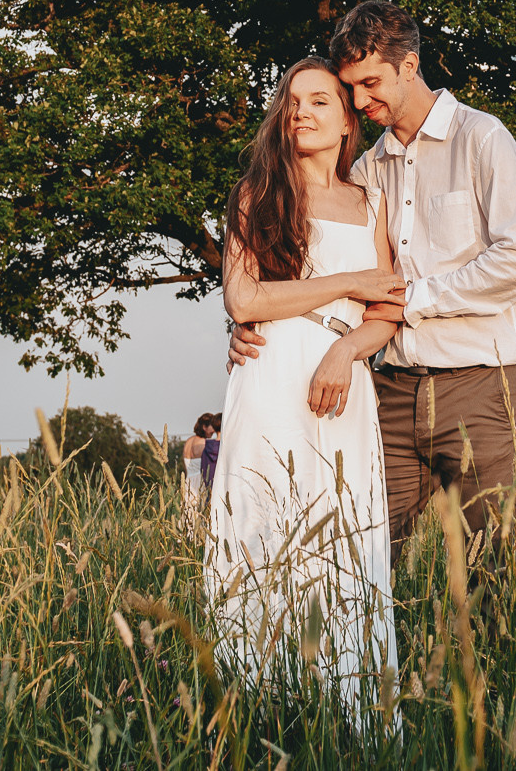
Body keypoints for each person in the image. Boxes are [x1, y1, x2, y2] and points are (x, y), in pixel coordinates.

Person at [231, 0, 516, 558]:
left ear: (409, 66)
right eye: (351, 87)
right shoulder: (363, 172)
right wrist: (251, 321)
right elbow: (319, 270)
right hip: (387, 389)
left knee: (490, 565)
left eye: (371, 82)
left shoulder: (482, 139)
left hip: (480, 386)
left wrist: (413, 300)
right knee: (363, 557)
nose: (360, 100)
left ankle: (489, 649)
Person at [203, 58, 406, 706]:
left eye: (320, 100)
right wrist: (346, 283)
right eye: (292, 102)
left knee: (346, 539)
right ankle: (259, 705)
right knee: (261, 531)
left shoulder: (369, 198)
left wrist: (346, 349)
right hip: (269, 377)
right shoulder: (256, 193)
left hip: (342, 381)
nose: (302, 111)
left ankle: (354, 711)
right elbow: (243, 299)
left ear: (348, 118)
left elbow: (389, 308)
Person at [181, 412, 220, 513]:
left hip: (187, 481)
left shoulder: (189, 440)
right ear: (204, 427)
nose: (213, 431)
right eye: (212, 428)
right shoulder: (202, 443)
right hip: (199, 481)